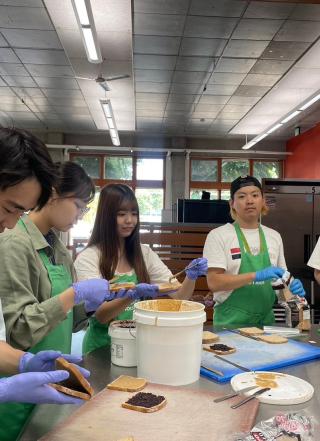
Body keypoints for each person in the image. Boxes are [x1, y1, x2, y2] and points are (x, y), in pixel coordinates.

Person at [0, 159, 115, 441]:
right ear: (53, 193)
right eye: (79, 205)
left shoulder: (58, 247)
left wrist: (90, 304)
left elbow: (69, 321)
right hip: (17, 387)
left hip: (49, 377)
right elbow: (20, 329)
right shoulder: (14, 241)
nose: (80, 215)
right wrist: (73, 294)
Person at [75, 183, 208, 354]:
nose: (129, 220)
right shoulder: (89, 258)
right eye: (121, 214)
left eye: (134, 214)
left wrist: (191, 276)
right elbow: (101, 315)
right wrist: (132, 295)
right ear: (105, 217)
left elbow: (180, 295)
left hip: (140, 346)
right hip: (101, 349)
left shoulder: (144, 253)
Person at [203, 175, 305, 328]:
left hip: (266, 324)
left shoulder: (274, 237)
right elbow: (214, 282)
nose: (249, 201)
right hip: (230, 323)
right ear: (232, 203)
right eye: (242, 196)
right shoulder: (219, 235)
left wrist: (291, 288)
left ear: (263, 201)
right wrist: (255, 276)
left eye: (255, 195)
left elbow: (280, 288)